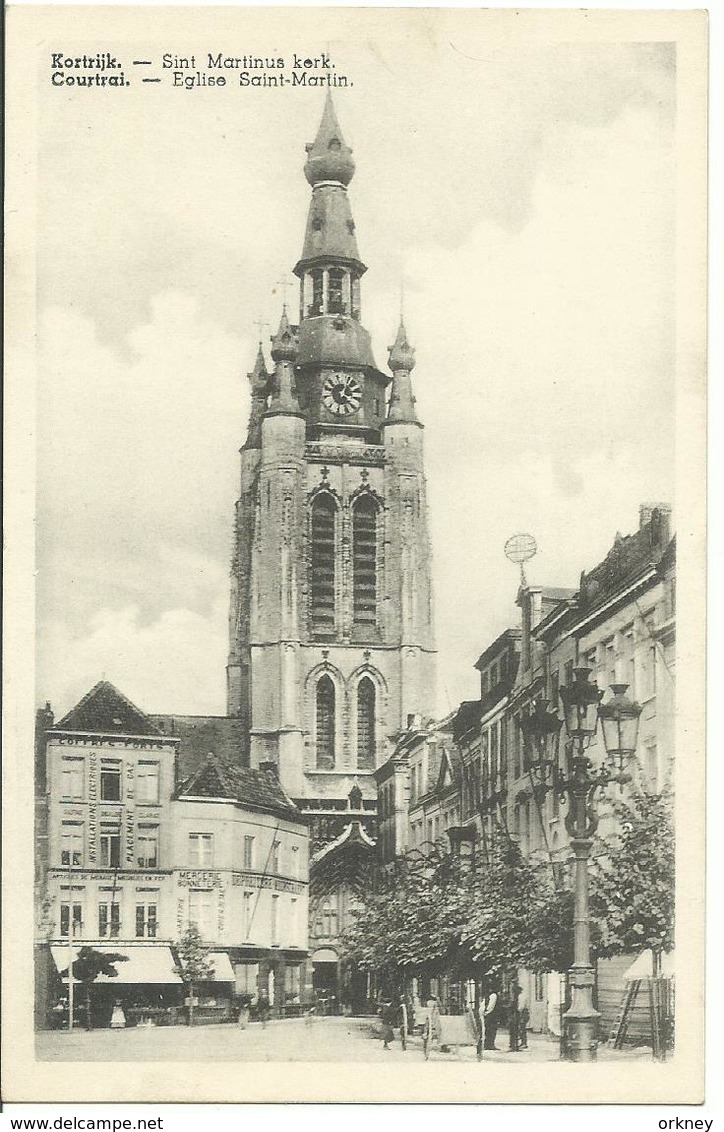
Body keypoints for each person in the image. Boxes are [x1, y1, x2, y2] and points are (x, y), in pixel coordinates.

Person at [482, 984, 499, 1050]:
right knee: (492, 1030)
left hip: (488, 1015)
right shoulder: (493, 995)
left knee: (488, 1030)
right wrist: (487, 1012)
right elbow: (491, 1006)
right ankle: (490, 1044)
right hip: (492, 1015)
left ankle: (487, 1044)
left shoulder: (487, 996)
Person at [518, 984, 529, 1050]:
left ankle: (524, 1043)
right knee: (521, 1028)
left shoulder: (521, 997)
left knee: (522, 1028)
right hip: (524, 1012)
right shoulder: (522, 996)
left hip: (523, 1013)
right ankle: (523, 1042)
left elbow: (521, 1007)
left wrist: (518, 1011)